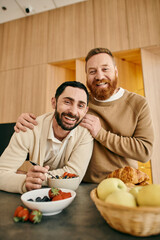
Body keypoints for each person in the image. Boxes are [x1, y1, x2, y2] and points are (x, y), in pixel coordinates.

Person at [14, 48, 154, 184]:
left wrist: (101, 134)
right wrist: (28, 123)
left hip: (124, 184)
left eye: (105, 69)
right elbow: (57, 121)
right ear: (86, 76)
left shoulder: (138, 103)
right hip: (80, 184)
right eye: (92, 71)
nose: (99, 76)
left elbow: (145, 151)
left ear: (116, 72)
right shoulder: (80, 104)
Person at [0, 81, 93, 193]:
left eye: (80, 106)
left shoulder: (85, 134)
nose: (73, 111)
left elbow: (74, 177)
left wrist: (30, 177)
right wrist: (25, 182)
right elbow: (1, 173)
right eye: (67, 102)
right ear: (54, 103)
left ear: (86, 110)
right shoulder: (28, 127)